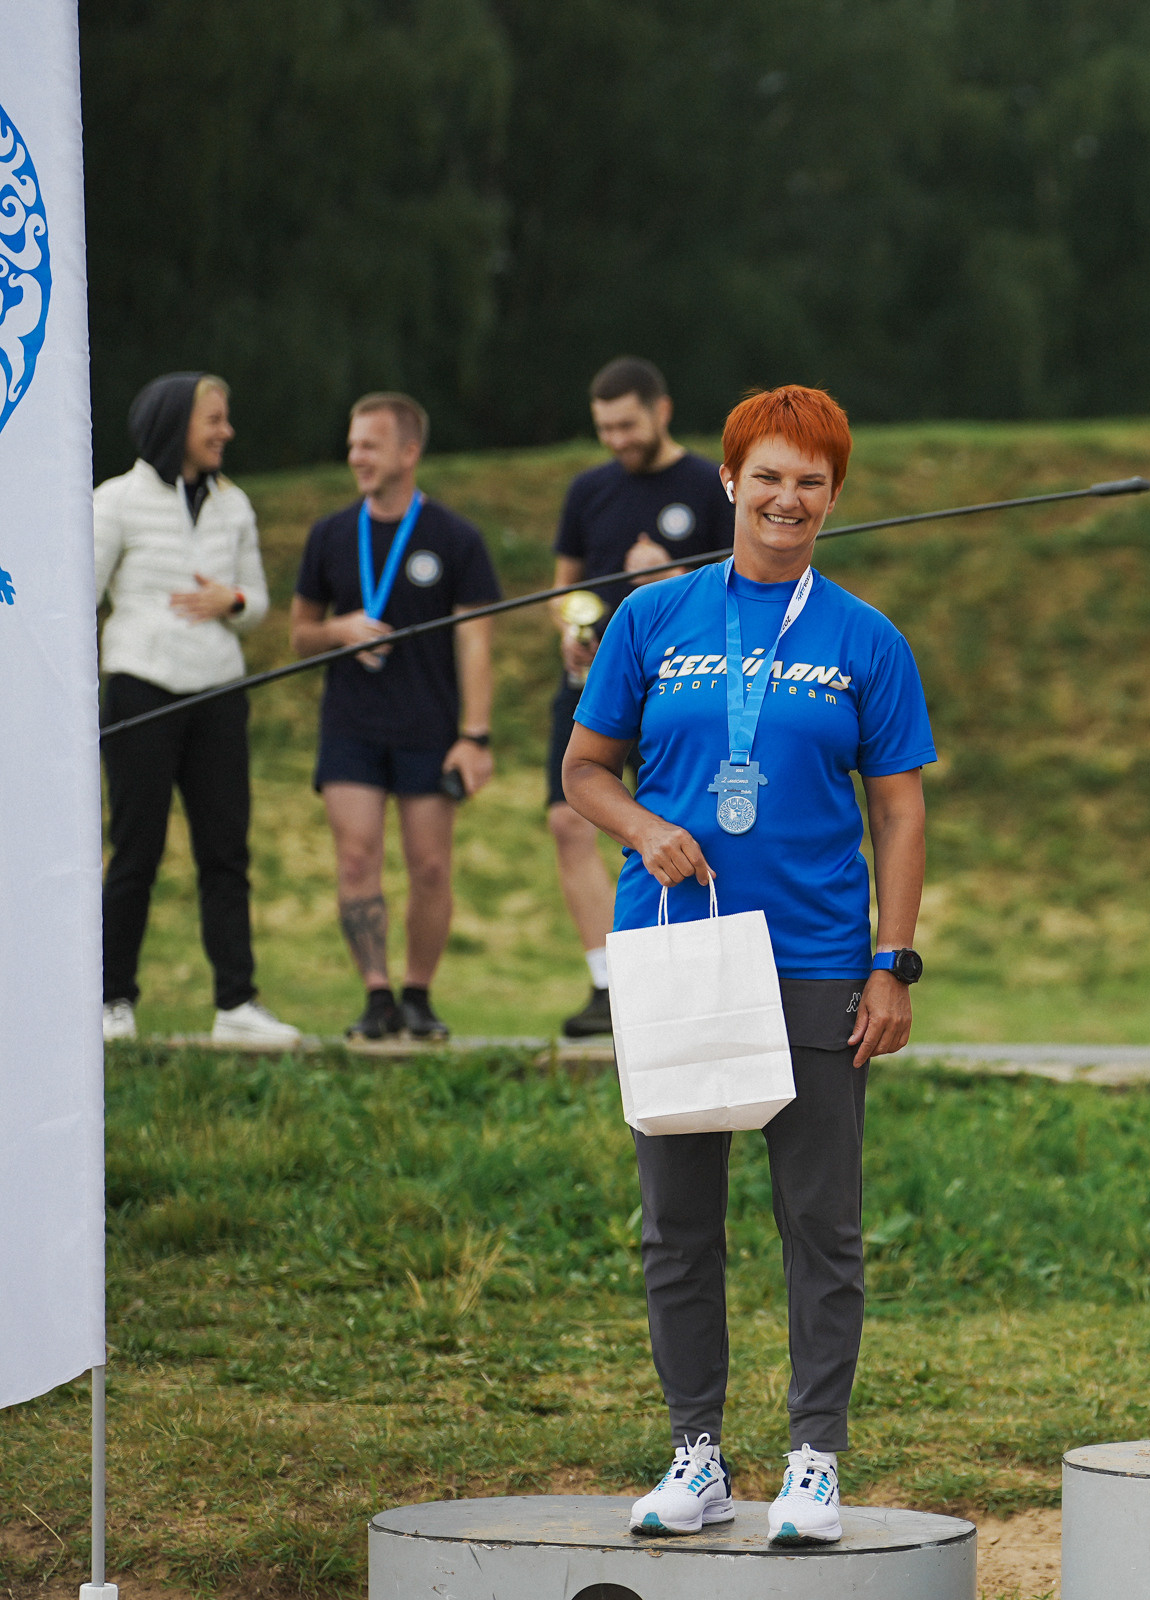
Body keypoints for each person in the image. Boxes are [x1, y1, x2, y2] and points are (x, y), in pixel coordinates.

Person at [562, 384, 933, 1547]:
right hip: (678, 950)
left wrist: (893, 962)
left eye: (811, 481)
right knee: (677, 1221)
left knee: (820, 1221)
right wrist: (643, 829)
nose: (788, 497)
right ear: (728, 480)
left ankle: (813, 1460)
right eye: (767, 475)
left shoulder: (866, 640)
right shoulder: (651, 619)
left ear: (834, 495)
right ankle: (699, 1456)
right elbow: (584, 769)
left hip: (816, 958)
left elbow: (901, 813)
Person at [93, 373, 302, 1047]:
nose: (226, 431)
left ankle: (236, 1004)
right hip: (140, 689)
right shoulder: (116, 501)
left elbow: (257, 602)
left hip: (218, 694)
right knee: (137, 849)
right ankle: (111, 1000)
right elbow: (81, 594)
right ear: (174, 423)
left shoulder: (233, 505)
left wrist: (231, 602)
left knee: (225, 852)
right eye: (214, 419)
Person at [290, 393, 501, 1042]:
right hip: (351, 727)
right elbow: (300, 635)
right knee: (356, 861)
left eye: (369, 445)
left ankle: (418, 995)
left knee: (430, 867)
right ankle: (376, 996)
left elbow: (475, 642)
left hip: (429, 729)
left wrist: (475, 737)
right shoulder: (330, 534)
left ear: (409, 452)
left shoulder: (456, 538)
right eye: (352, 444)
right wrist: (340, 631)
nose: (355, 456)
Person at [546, 357, 734, 1039]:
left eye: (628, 425)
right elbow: (564, 588)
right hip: (597, 683)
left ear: (662, 411)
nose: (617, 440)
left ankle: (690, 982)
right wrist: (569, 632)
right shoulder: (589, 490)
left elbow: (741, 587)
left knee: (679, 825)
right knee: (568, 819)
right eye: (605, 428)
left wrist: (670, 578)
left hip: (682, 689)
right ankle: (610, 985)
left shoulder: (710, 485)